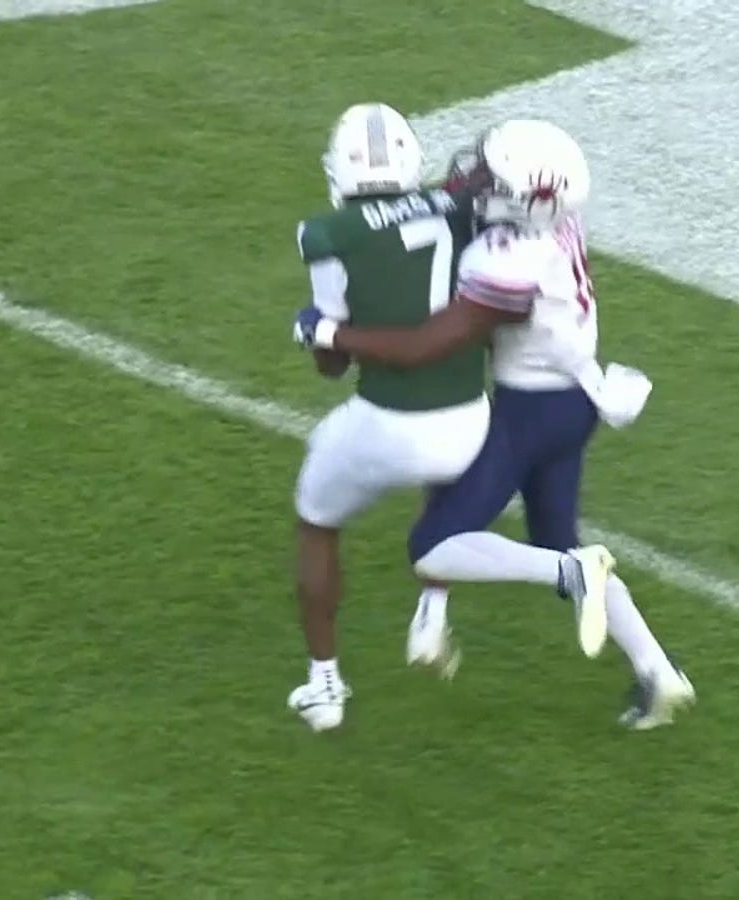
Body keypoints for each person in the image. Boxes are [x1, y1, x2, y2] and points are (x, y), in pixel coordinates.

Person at [295, 119, 695, 729]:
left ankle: (554, 578)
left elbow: (424, 346)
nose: (474, 175)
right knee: (556, 535)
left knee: (433, 549)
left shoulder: (505, 258)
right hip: (573, 402)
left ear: (522, 200)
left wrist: (327, 331)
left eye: (490, 174)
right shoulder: (556, 221)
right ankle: (659, 672)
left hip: (528, 412)